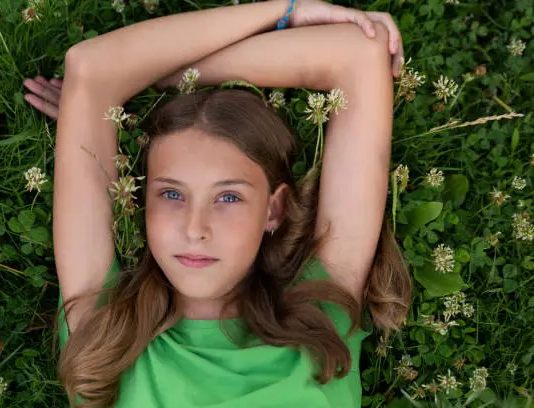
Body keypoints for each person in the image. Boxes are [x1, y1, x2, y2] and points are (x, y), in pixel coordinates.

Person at [24, 1, 412, 407]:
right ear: (141, 202)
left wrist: (157, 81)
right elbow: (90, 69)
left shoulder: (320, 318)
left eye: (229, 197)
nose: (195, 228)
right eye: (172, 194)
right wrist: (285, 10)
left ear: (273, 210)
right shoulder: (106, 336)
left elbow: (359, 51)